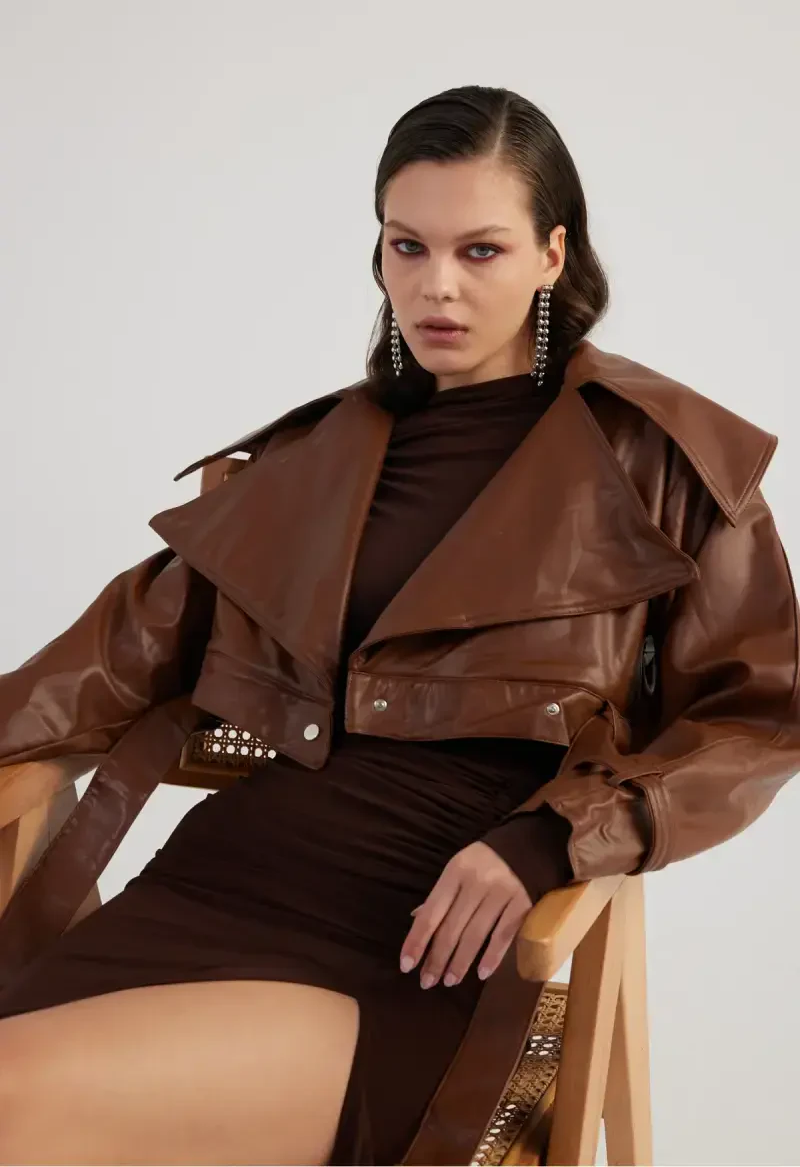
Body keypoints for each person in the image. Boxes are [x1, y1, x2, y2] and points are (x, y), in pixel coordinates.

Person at [0, 84, 797, 1167]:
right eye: (406, 246)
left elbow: (758, 715)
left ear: (552, 255)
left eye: (480, 251)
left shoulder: (666, 460)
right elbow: (107, 660)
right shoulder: (313, 459)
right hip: (205, 890)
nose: (435, 286)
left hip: (409, 946)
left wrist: (554, 836)